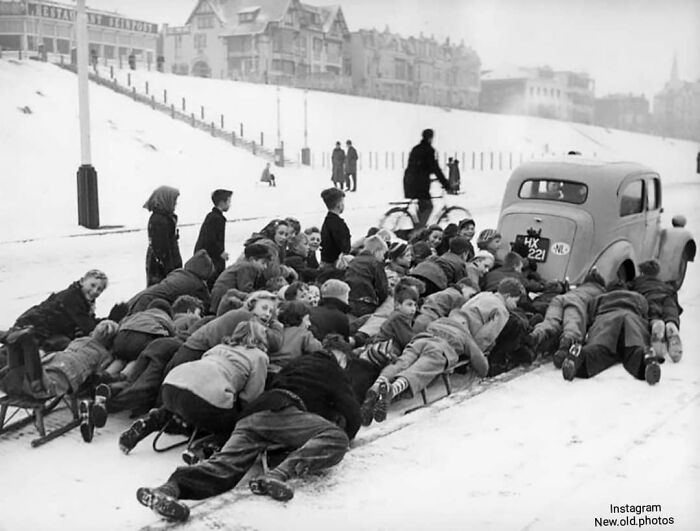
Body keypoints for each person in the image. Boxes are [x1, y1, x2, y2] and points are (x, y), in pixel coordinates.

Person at [135, 343, 361, 522]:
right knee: (336, 438)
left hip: (253, 415)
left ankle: (168, 489)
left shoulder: (297, 363)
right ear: (340, 358)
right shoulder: (333, 369)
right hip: (285, 411)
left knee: (225, 466)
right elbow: (351, 411)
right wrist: (348, 432)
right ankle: (276, 475)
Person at [118, 320, 270, 455]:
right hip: (205, 398)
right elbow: (251, 397)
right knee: (235, 426)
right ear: (261, 337)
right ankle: (205, 448)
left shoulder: (219, 347)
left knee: (183, 403)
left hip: (172, 383)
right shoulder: (259, 356)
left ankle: (149, 422)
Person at [361, 315, 487, 425]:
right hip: (440, 348)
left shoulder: (436, 323)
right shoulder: (465, 335)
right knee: (419, 370)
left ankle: (376, 387)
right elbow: (480, 363)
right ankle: (392, 390)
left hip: (419, 341)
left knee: (401, 363)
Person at [561, 282, 663, 385]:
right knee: (634, 350)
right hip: (631, 318)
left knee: (599, 350)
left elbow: (591, 315)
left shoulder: (599, 298)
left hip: (606, 320)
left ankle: (580, 356)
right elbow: (645, 312)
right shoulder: (638, 297)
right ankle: (645, 357)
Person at [0, 319, 118, 401]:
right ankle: (16, 338)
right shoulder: (96, 349)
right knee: (25, 355)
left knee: (25, 346)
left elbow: (97, 375)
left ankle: (14, 338)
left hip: (41, 384)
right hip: (32, 380)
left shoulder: (92, 347)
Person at [529, 269, 606, 367]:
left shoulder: (579, 288)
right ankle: (564, 349)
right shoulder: (601, 293)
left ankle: (535, 335)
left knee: (550, 322)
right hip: (577, 302)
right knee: (572, 326)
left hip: (560, 298)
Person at [127, 250, 213, 315]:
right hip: (146, 306)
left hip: (137, 299)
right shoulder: (197, 285)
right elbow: (209, 306)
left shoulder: (179, 273)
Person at [629, 260, 683, 362]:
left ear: (642, 272)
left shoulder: (636, 282)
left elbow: (628, 293)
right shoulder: (664, 284)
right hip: (667, 299)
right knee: (671, 315)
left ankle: (656, 324)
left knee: (653, 315)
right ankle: (671, 325)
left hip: (649, 298)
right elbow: (674, 296)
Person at [403, 129, 452, 230]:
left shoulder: (416, 148)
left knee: (422, 207)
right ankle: (418, 232)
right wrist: (446, 184)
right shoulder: (429, 150)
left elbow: (419, 166)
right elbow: (435, 168)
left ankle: (418, 228)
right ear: (430, 138)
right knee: (429, 207)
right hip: (419, 184)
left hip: (410, 181)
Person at [209, 243, 271, 314]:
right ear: (252, 260)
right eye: (263, 263)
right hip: (223, 297)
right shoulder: (248, 267)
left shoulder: (241, 264)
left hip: (218, 295)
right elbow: (245, 288)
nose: (265, 267)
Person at [194, 189, 233, 290]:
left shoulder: (213, 216)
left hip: (209, 256)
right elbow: (211, 239)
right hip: (212, 258)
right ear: (222, 202)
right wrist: (220, 252)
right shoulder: (216, 218)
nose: (230, 204)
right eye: (229, 201)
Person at [144, 186, 182, 286]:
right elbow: (163, 250)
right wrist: (172, 272)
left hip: (162, 267)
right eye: (174, 200)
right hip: (161, 270)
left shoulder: (164, 218)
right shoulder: (160, 220)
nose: (175, 203)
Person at [271, 301, 323, 373]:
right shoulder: (304, 334)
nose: (309, 323)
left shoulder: (275, 330)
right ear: (299, 318)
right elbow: (317, 350)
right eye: (307, 319)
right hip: (290, 371)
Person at [345, 235, 389, 318]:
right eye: (383, 254)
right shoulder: (375, 263)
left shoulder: (353, 261)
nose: (383, 258)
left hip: (350, 302)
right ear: (377, 251)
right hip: (366, 305)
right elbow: (382, 288)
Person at [320, 188, 351, 270]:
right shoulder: (338, 224)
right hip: (334, 265)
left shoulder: (327, 221)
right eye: (343, 202)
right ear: (339, 205)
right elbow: (345, 248)